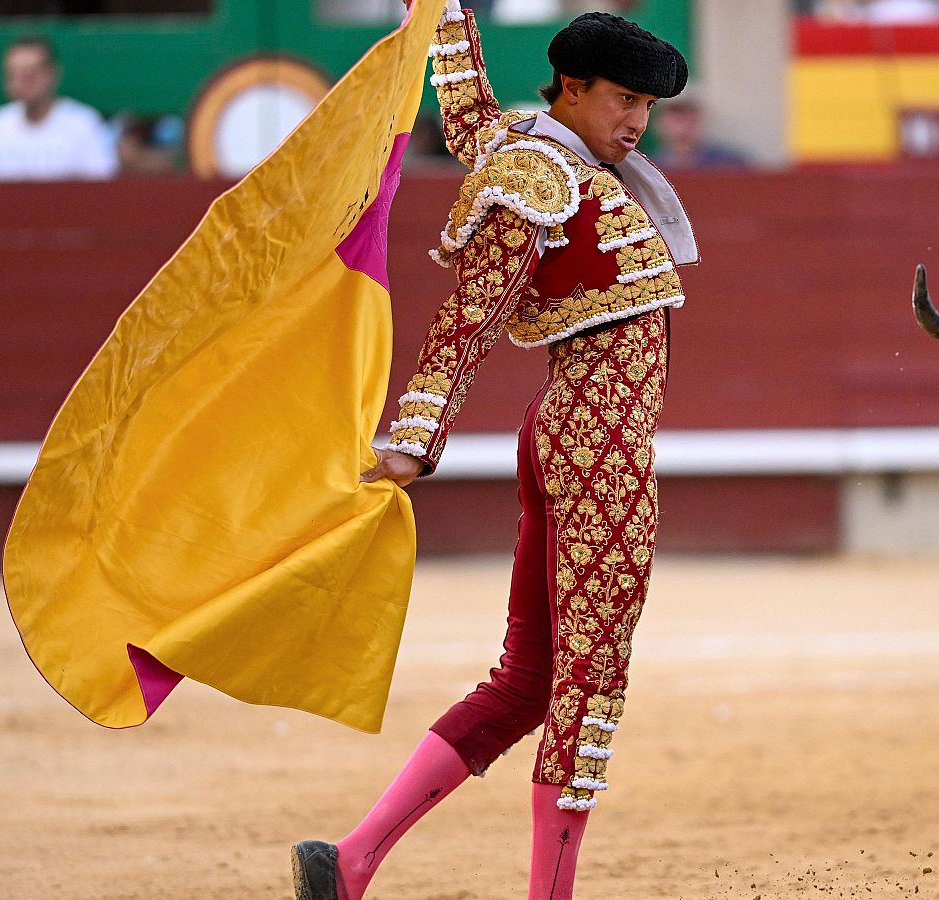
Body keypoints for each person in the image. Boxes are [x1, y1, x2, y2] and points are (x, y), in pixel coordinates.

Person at [290, 2, 697, 899]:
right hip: (597, 451)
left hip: (572, 436)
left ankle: (350, 862)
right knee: (588, 681)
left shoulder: (530, 148)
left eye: (648, 106)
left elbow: (467, 106)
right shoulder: (537, 174)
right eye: (623, 98)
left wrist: (444, 11)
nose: (638, 121)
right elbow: (471, 314)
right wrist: (414, 440)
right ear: (572, 88)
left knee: (528, 682)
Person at [0, 35, 117, 182]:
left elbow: (100, 184)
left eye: (31, 73)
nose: (23, 81)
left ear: (53, 73)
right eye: (15, 74)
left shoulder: (84, 123)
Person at [649, 99, 748, 170]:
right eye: (676, 120)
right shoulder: (651, 167)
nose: (682, 127)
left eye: (688, 120)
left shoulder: (727, 162)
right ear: (659, 125)